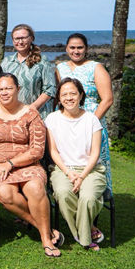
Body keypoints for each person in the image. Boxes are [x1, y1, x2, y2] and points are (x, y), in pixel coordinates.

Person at [0, 73, 64, 257]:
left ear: (18, 89)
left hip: (28, 165)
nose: (4, 92)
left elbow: (37, 150)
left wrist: (10, 164)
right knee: (5, 193)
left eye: (9, 88)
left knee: (35, 188)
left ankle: (46, 240)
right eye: (0, 89)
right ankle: (44, 228)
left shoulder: (31, 113)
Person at [46, 78, 106, 251]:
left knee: (87, 198)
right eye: (64, 94)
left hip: (91, 170)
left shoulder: (92, 120)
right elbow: (53, 152)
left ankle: (84, 238)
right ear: (58, 97)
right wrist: (69, 173)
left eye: (73, 93)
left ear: (81, 95)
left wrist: (82, 175)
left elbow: (95, 153)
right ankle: (88, 230)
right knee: (63, 194)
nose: (69, 97)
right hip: (63, 169)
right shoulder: (52, 119)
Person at [56, 33, 114, 189]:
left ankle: (96, 193)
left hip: (92, 119)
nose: (76, 51)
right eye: (72, 47)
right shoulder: (60, 68)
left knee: (92, 158)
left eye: (80, 47)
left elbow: (107, 99)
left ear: (86, 49)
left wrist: (90, 123)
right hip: (66, 121)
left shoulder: (96, 67)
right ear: (66, 48)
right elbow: (56, 96)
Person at [0, 23, 56, 119]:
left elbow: (50, 89)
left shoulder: (42, 61)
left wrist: (33, 107)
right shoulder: (6, 62)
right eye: (17, 39)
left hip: (37, 114)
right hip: (12, 115)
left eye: (24, 38)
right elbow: (0, 87)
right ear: (13, 41)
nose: (20, 42)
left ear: (31, 38)